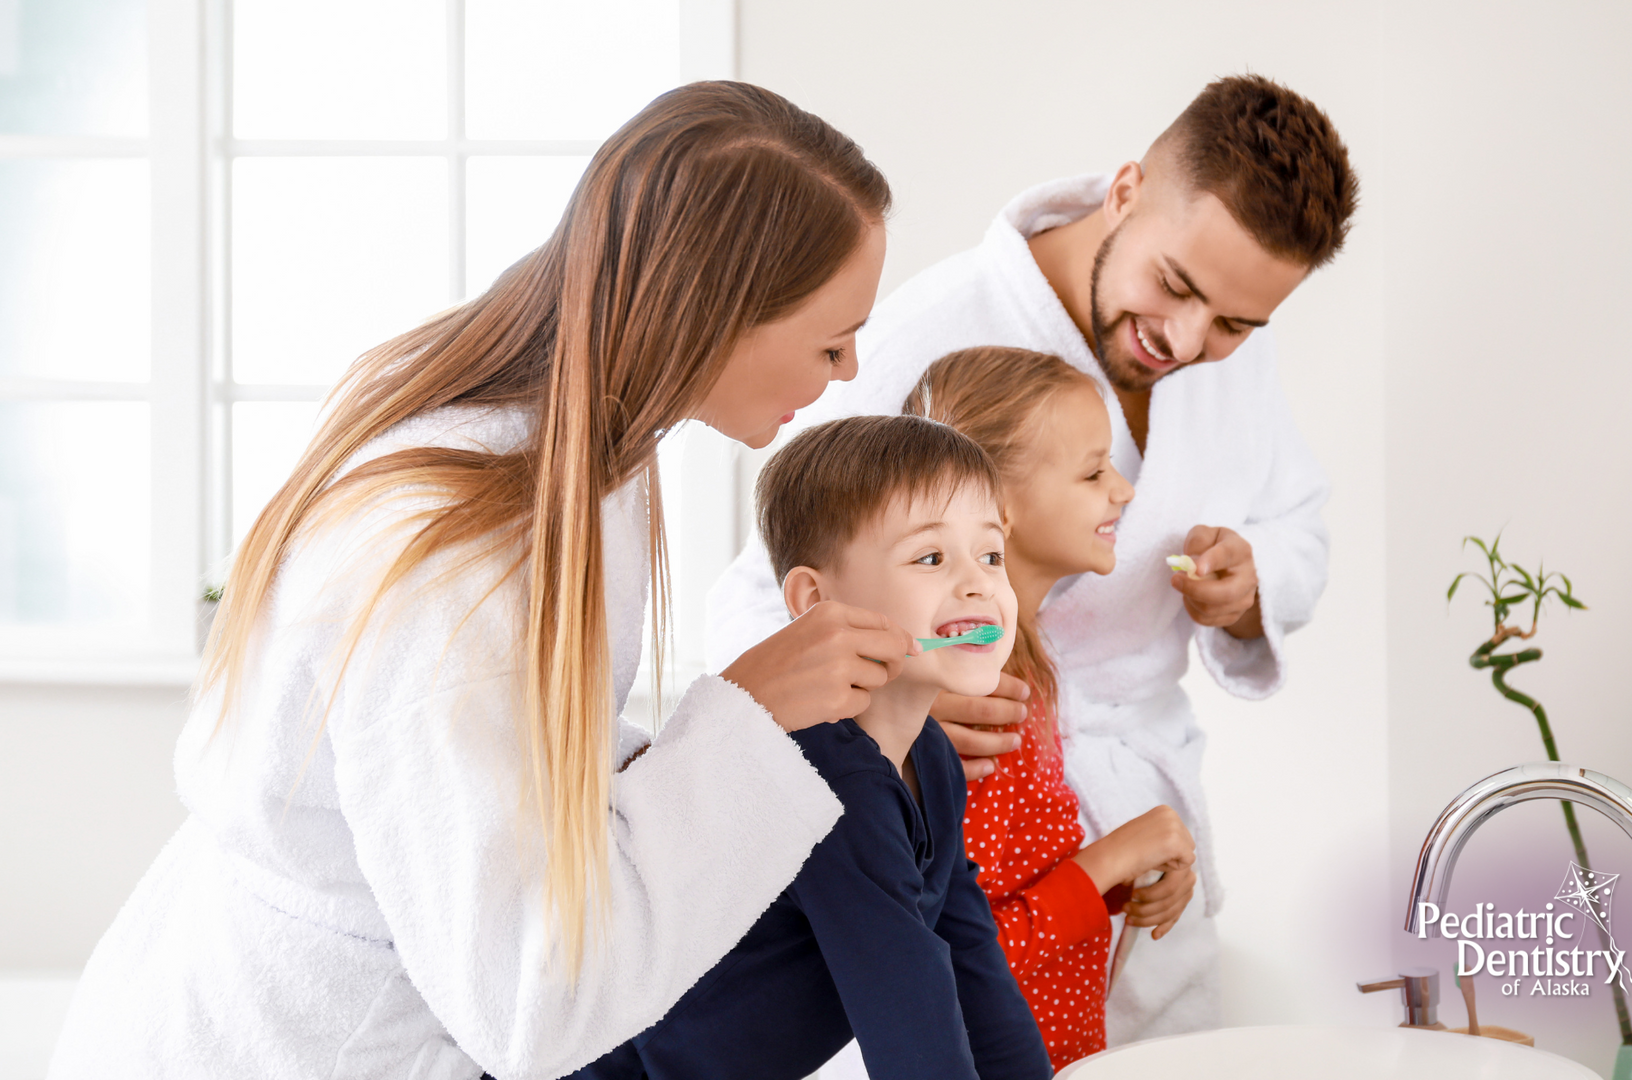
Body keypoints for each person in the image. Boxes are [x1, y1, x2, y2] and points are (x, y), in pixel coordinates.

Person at [46, 82, 922, 1080]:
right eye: (829, 340)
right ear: (714, 315)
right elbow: (530, 1000)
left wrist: (774, 727)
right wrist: (750, 718)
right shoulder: (451, 564)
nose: (853, 368)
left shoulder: (588, 454)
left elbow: (513, 759)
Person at [706, 74, 1359, 1042]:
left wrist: (1254, 575)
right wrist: (907, 695)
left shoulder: (1231, 350)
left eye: (1234, 324)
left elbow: (1299, 517)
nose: (1188, 340)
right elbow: (774, 590)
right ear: (1126, 191)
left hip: (1138, 816)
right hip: (980, 792)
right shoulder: (927, 338)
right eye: (1175, 287)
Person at [569, 414, 1051, 1080]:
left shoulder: (932, 760)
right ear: (815, 600)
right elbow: (912, 1024)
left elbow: (971, 964)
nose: (978, 584)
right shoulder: (829, 778)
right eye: (932, 558)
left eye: (991, 555)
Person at [902, 346, 1193, 1068]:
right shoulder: (979, 696)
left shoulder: (1024, 664)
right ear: (1000, 505)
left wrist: (1131, 872)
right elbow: (965, 952)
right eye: (1094, 472)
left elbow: (1016, 890)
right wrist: (1115, 854)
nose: (1122, 491)